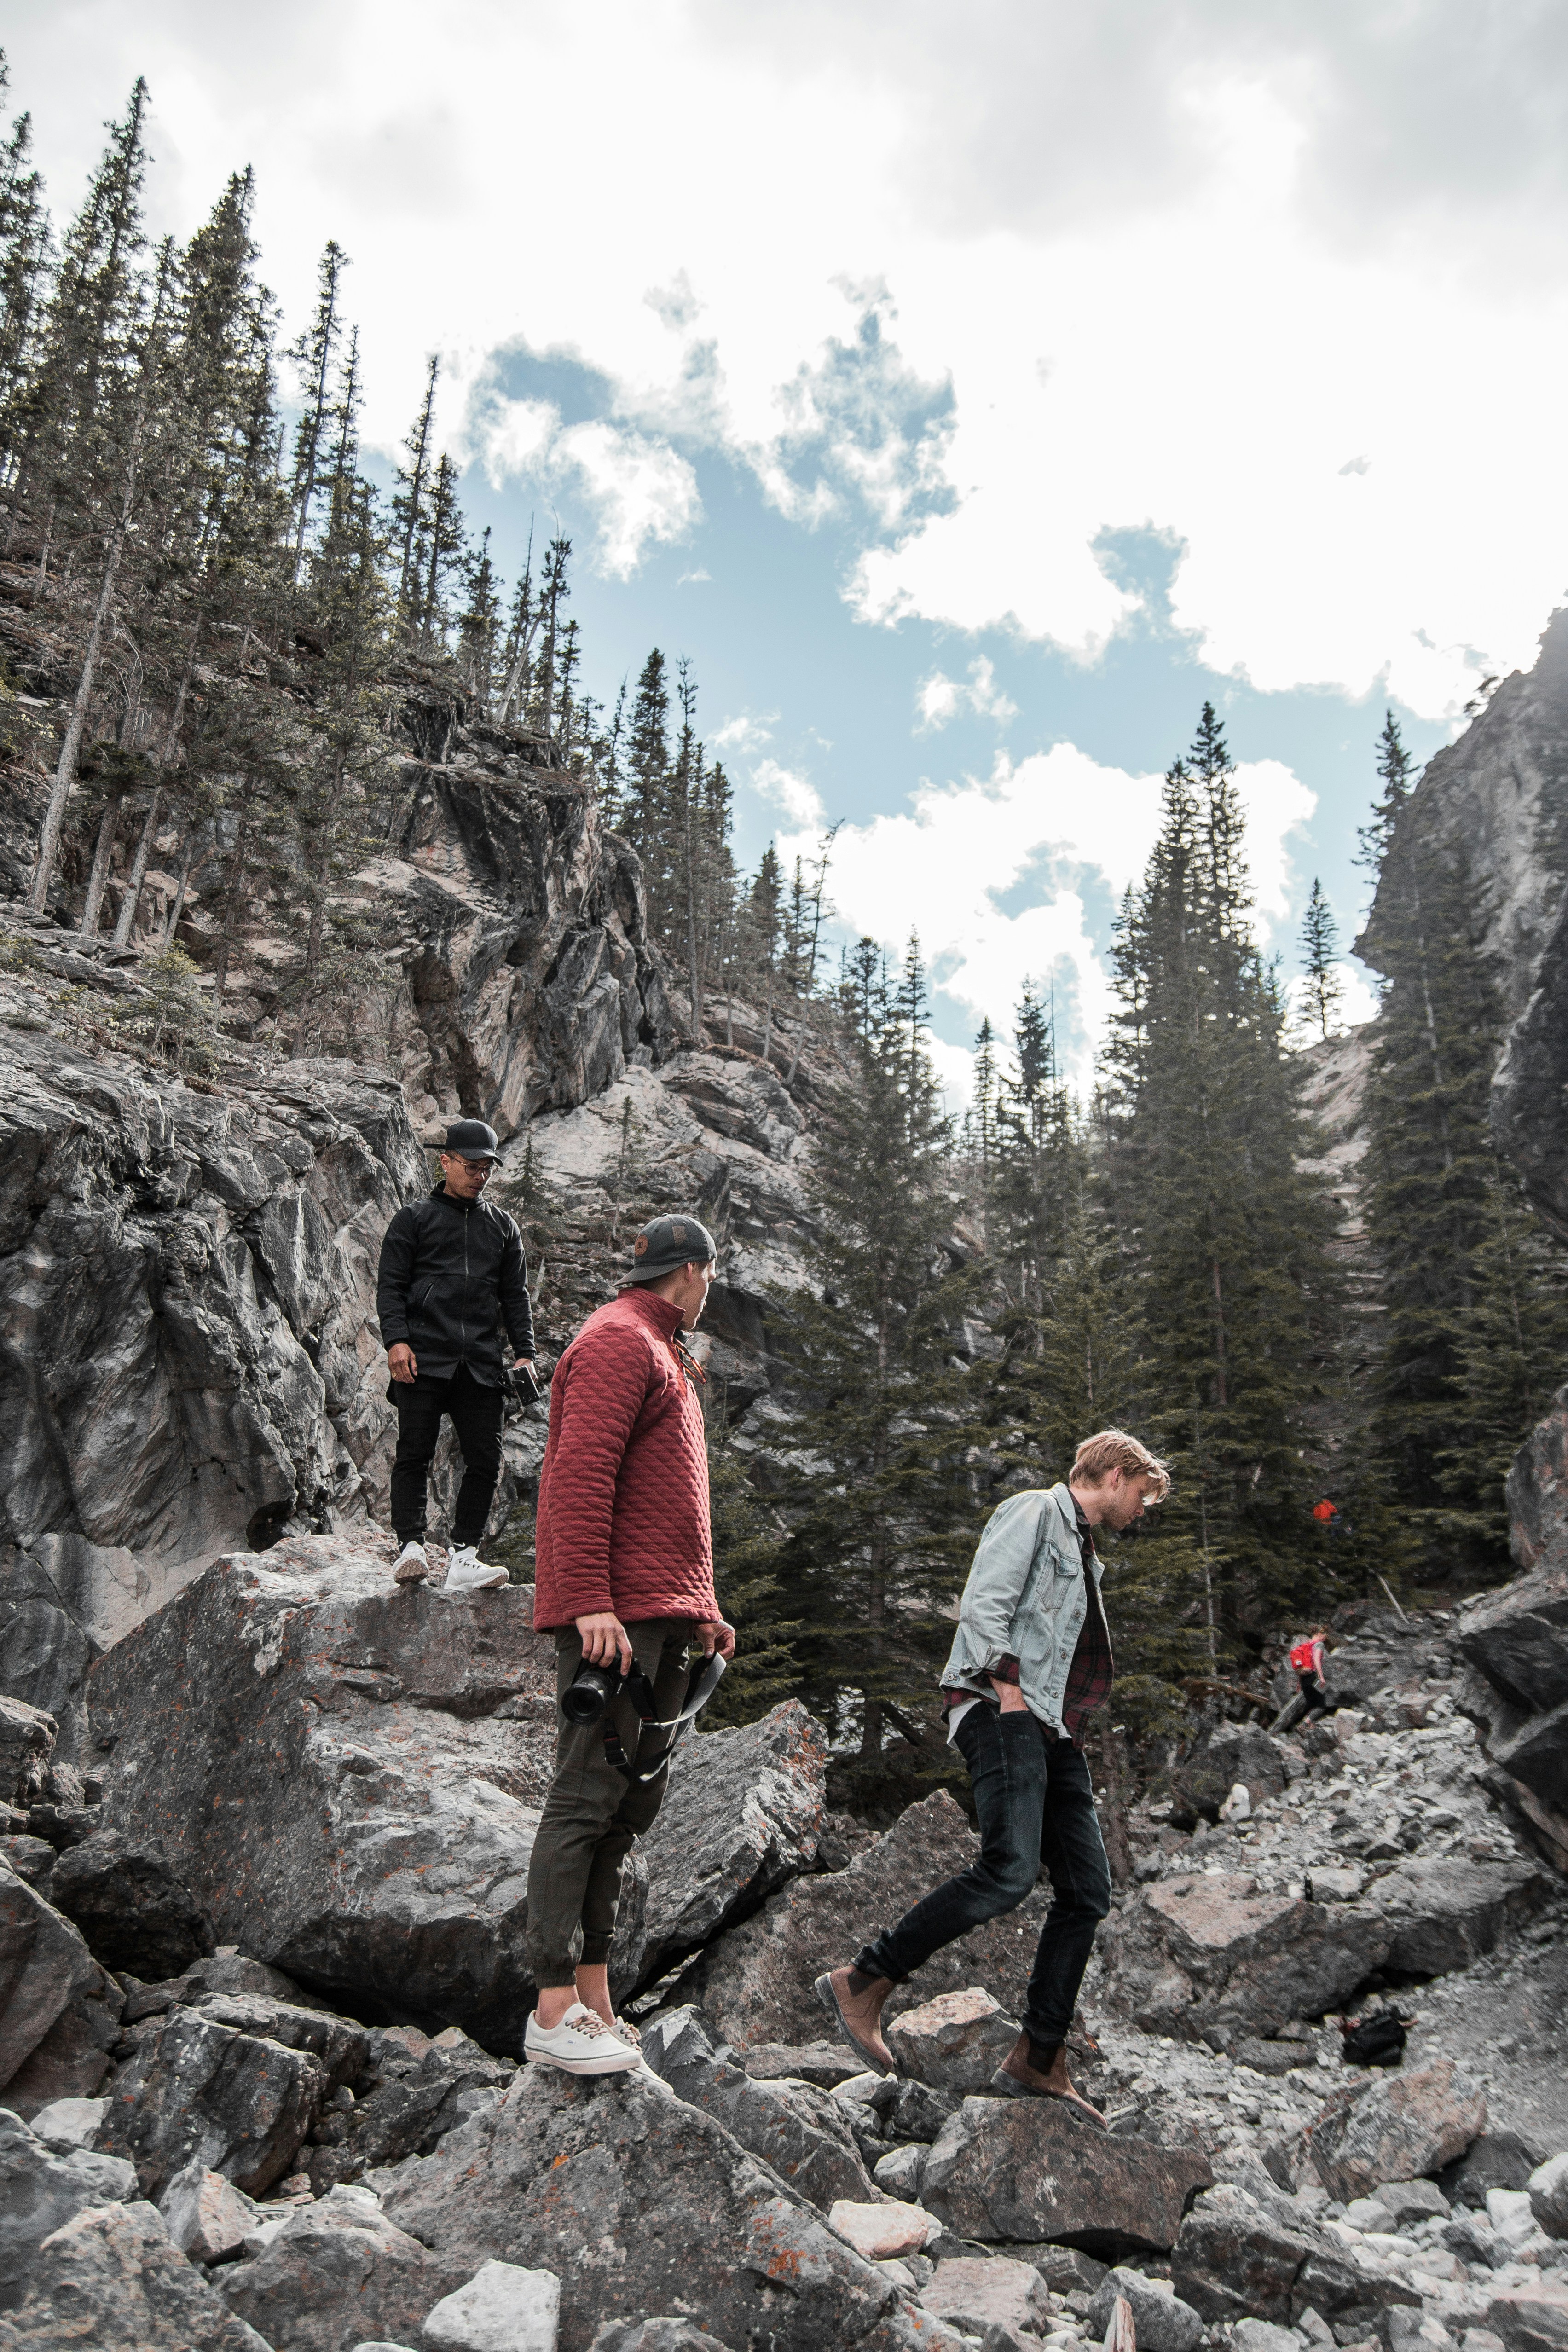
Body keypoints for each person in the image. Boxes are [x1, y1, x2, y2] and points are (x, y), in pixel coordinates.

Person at [817, 1429, 1170, 2121]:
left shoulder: (1084, 1550)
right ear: (1115, 1472)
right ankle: (862, 1979)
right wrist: (1006, 1691)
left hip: (1048, 1727)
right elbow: (984, 1601)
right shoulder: (1036, 1510)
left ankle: (1038, 2056)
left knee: (1087, 1891)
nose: (1141, 1508)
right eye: (1142, 1494)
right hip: (1001, 1707)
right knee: (1008, 1871)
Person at [522, 1212, 736, 2078]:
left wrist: (702, 1606)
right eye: (712, 1273)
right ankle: (548, 2009)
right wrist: (587, 1604)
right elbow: (577, 1478)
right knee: (582, 1799)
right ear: (691, 1272)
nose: (712, 1286)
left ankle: (595, 1999)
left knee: (624, 1809)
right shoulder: (617, 1340)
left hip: (663, 1620)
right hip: (617, 1622)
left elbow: (671, 1506)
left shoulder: (662, 1347)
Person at [375, 1118, 536, 1597]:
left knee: (486, 1460)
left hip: (481, 1362)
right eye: (472, 1166)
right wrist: (396, 1341)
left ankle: (465, 1556)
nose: (481, 1175)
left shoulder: (502, 1226)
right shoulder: (413, 1218)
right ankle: (410, 1547)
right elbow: (391, 1287)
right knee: (414, 1453)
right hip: (422, 1357)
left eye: (488, 1167)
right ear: (444, 1161)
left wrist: (525, 1353)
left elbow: (516, 1296)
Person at [1290, 1625, 1338, 1719]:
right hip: (1314, 1678)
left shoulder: (1307, 1646)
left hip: (1305, 1679)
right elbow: (1316, 1660)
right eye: (1324, 1635)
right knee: (1322, 1705)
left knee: (1311, 1704)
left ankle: (1302, 1724)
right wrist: (1321, 1677)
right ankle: (1306, 1724)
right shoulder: (1319, 1645)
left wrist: (1299, 1684)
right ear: (1320, 1634)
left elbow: (1303, 1667)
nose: (1325, 1638)